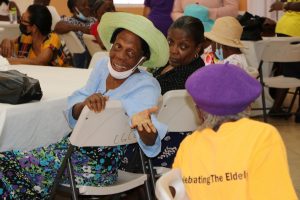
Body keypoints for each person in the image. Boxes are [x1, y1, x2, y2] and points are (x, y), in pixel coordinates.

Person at [0, 12, 169, 199]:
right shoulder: (103, 66)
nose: (120, 57)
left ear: (142, 59)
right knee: (7, 164)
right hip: (69, 152)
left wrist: (142, 124)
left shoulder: (145, 86)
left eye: (130, 53)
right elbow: (76, 103)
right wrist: (85, 105)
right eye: (117, 47)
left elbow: (151, 141)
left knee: (6, 165)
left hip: (98, 167)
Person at [171, 63, 298, 199]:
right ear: (249, 106)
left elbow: (176, 190)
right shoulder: (262, 136)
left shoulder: (189, 145)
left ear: (199, 113)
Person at [123, 16, 205, 169]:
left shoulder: (188, 77)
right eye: (170, 42)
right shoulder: (169, 63)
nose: (173, 50)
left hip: (163, 144)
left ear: (198, 48)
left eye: (183, 46)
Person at [0, 4, 69, 66]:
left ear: (34, 27)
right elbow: (9, 44)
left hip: (60, 77)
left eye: (23, 21)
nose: (20, 22)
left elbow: (39, 62)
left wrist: (8, 61)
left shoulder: (52, 39)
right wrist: (6, 41)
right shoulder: (26, 38)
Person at [269, 0, 300, 121]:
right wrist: (284, 5)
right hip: (295, 29)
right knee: (293, 71)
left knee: (288, 71)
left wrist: (283, 4)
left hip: (284, 27)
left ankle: (276, 109)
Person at [54, 0, 96, 68]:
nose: (87, 7)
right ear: (75, 9)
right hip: (80, 57)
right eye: (83, 5)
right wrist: (80, 28)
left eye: (88, 5)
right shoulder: (69, 21)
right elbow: (57, 27)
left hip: (94, 53)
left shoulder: (93, 20)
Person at [171, 0, 239, 21]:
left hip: (215, 37)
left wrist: (208, 13)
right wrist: (186, 17)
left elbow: (233, 10)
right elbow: (175, 12)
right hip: (188, 35)